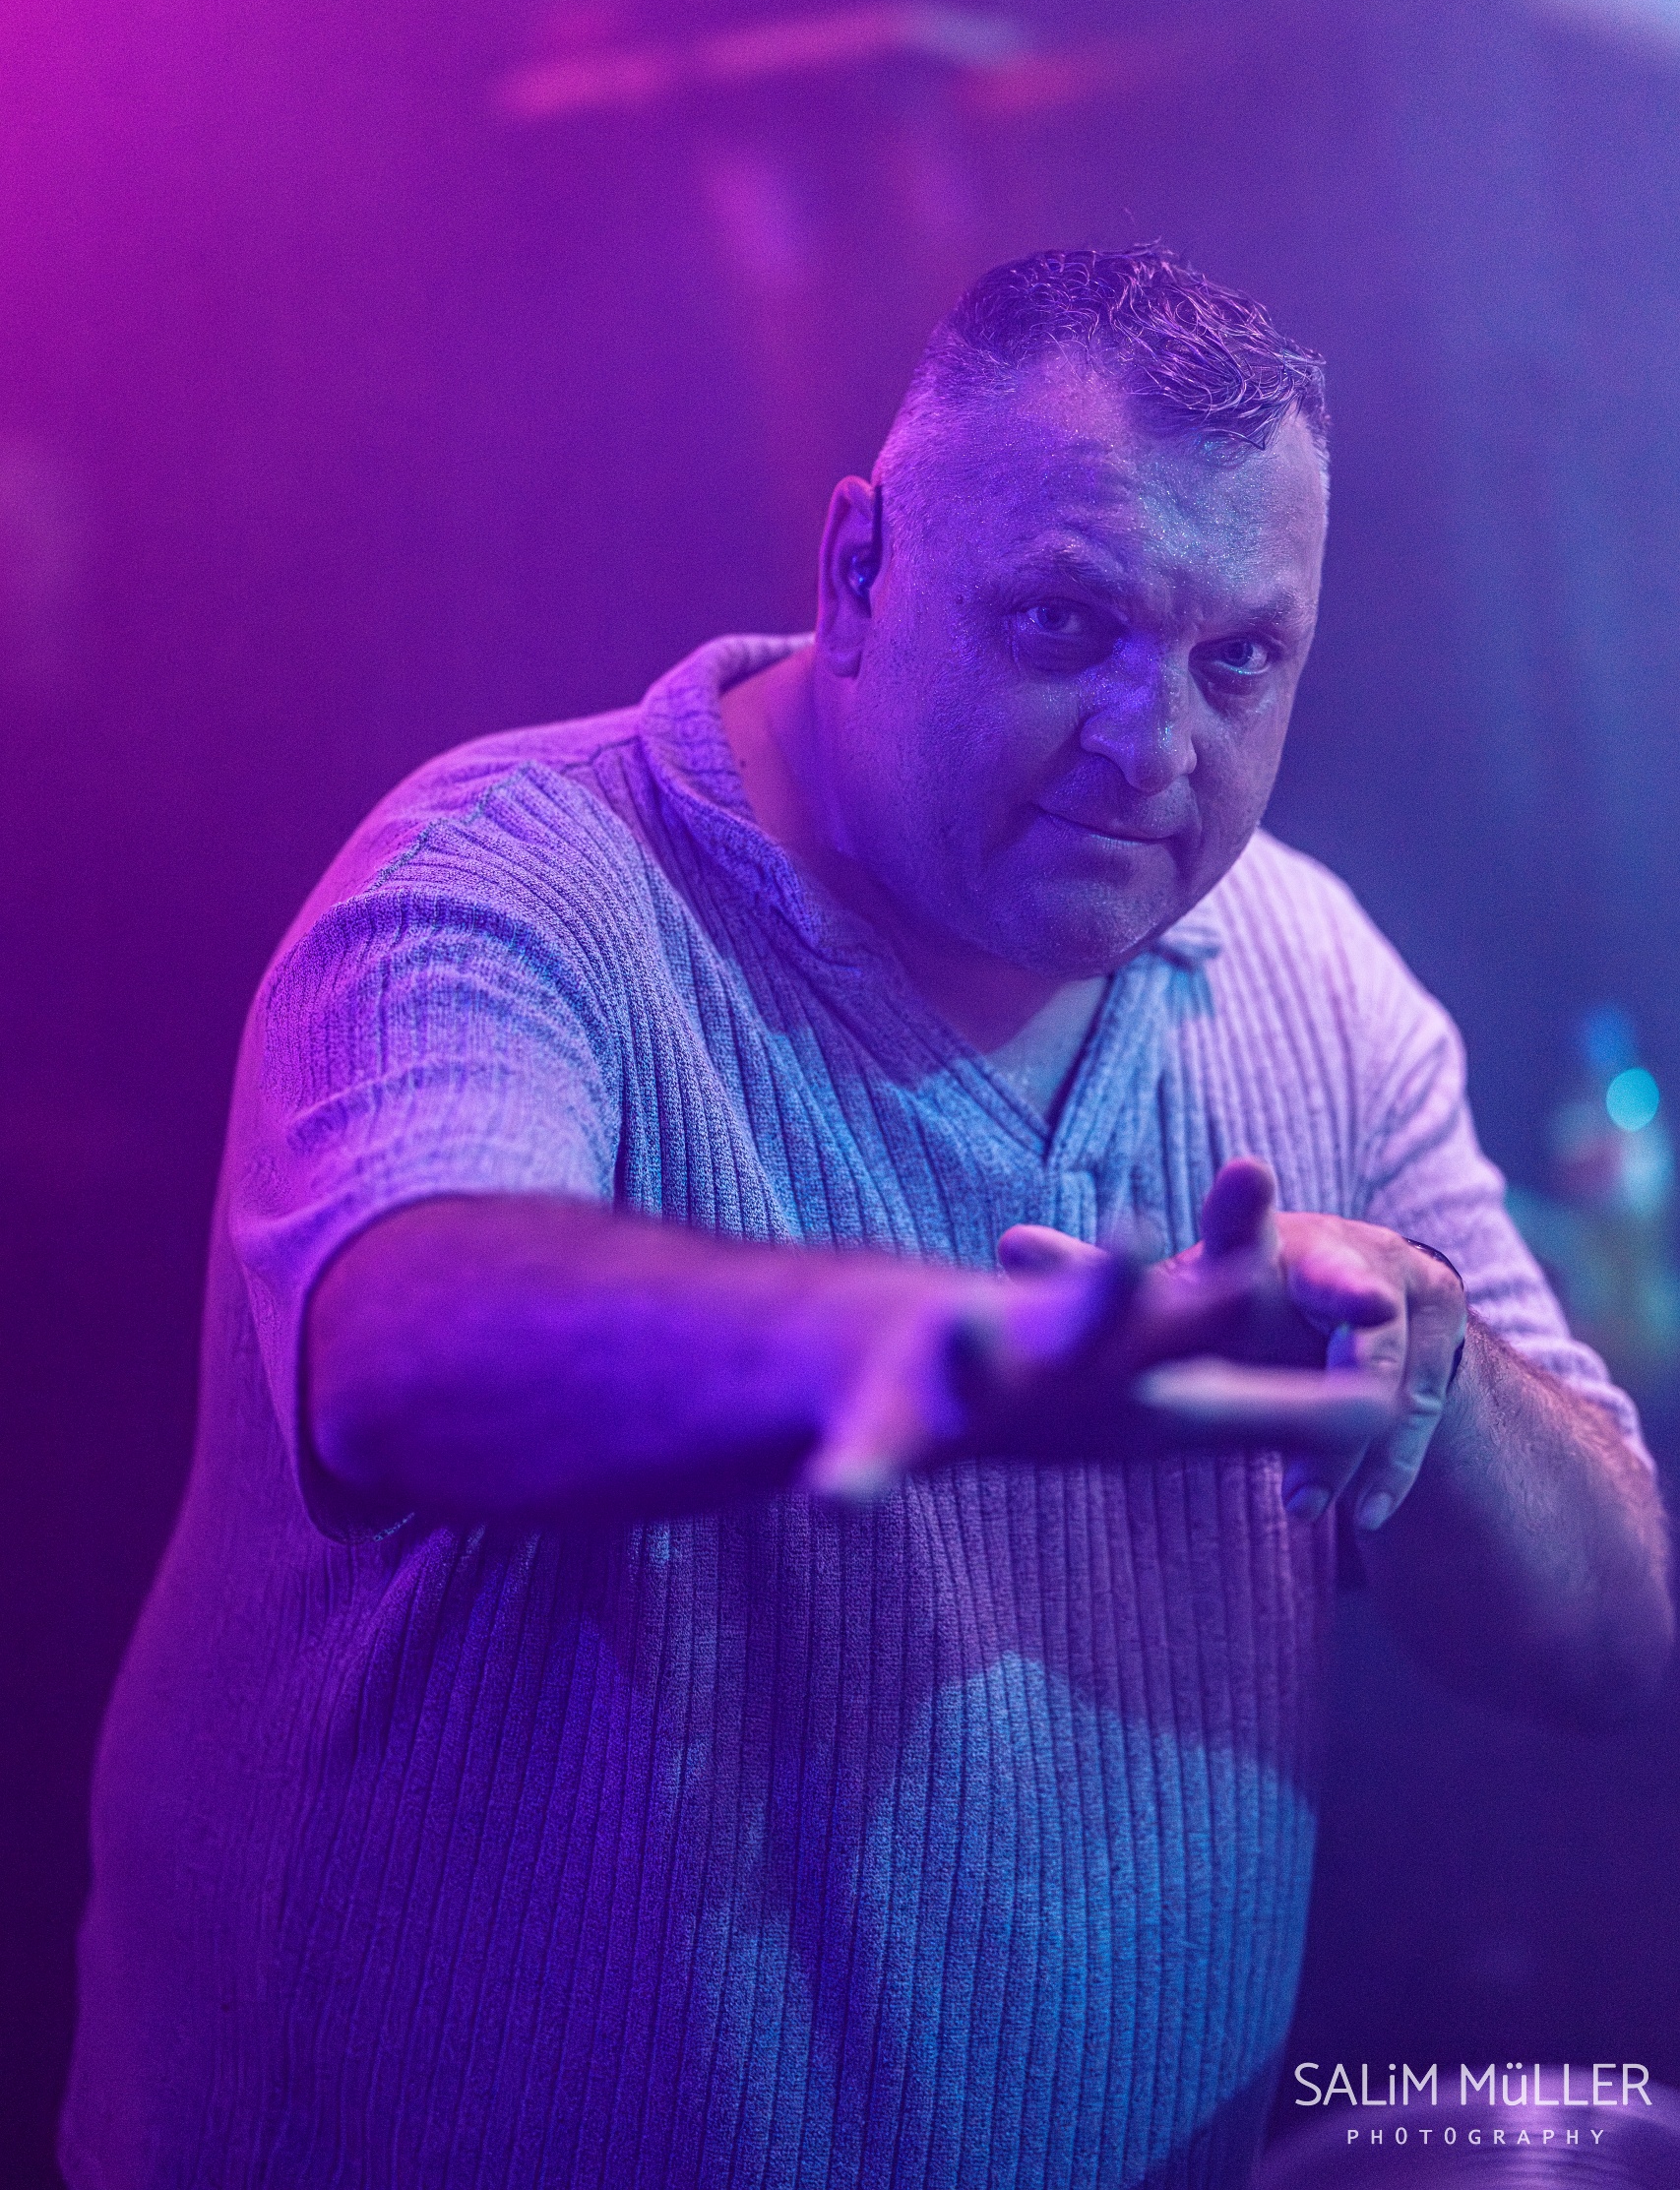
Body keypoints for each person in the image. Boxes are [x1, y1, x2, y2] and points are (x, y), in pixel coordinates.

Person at [62, 249, 1671, 2190]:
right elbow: (407, 1358)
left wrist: (1432, 1384)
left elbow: (1609, 1638)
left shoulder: (1313, 977)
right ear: (854, 574)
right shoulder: (511, 881)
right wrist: (983, 1362)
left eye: (1237, 661)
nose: (1153, 743)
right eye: (1064, 623)